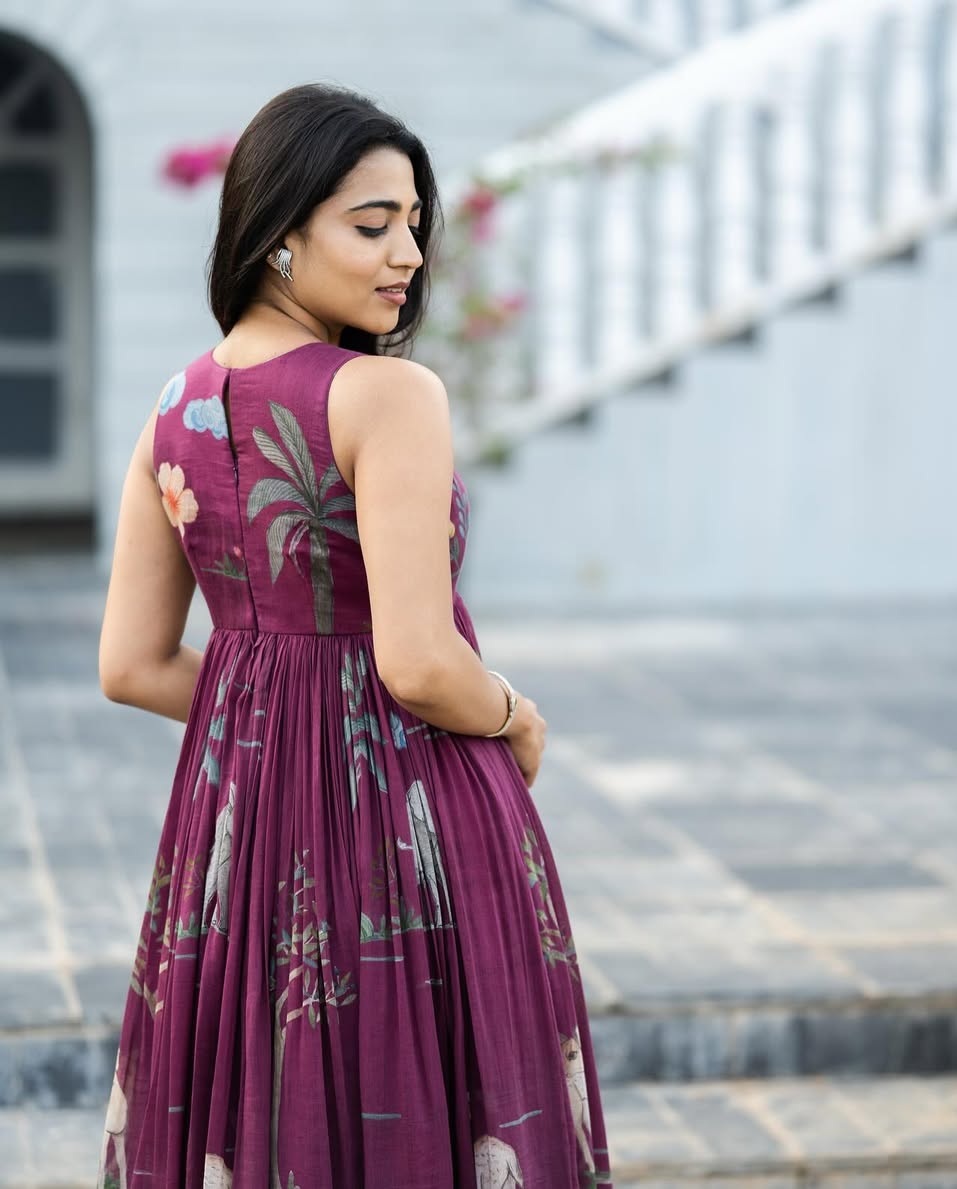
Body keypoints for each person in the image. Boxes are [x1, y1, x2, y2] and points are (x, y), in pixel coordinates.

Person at [95, 82, 610, 1188]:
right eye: (371, 225)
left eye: (415, 223)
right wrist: (514, 715)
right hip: (407, 818)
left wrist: (274, 721)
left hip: (235, 830)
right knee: (422, 1103)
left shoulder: (170, 414)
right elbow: (420, 660)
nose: (408, 253)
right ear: (277, 234)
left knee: (270, 1116)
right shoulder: (387, 397)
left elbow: (131, 667)